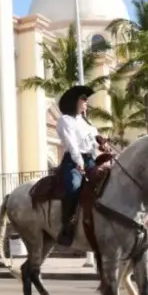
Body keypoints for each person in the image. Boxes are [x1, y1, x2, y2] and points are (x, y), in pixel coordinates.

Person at [56, 85, 102, 247]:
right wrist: (79, 162)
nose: (86, 102)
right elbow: (72, 143)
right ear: (75, 101)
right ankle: (67, 225)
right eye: (83, 100)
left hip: (91, 159)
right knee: (74, 187)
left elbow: (96, 139)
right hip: (74, 161)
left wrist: (103, 144)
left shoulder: (85, 121)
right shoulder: (64, 120)